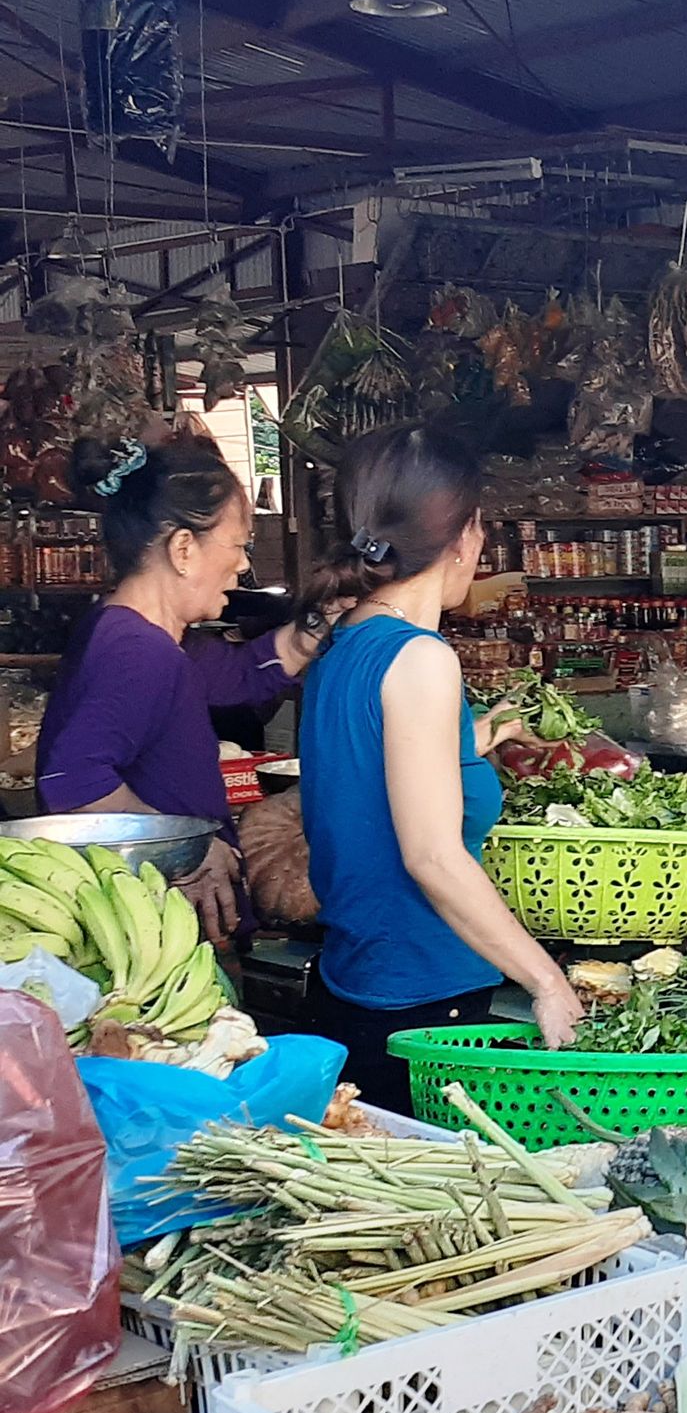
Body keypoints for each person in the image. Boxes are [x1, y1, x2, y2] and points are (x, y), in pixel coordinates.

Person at [296, 423, 582, 1108]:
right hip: (426, 1007)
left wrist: (480, 735)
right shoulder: (421, 659)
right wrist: (547, 982)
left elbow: (374, 770)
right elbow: (432, 856)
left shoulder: (343, 645)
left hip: (357, 983)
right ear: (464, 536)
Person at [37, 436, 335, 944]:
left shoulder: (149, 635)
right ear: (182, 548)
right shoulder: (135, 650)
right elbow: (72, 780)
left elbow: (242, 674)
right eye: (239, 545)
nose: (243, 565)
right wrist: (185, 847)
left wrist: (322, 620)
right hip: (149, 924)